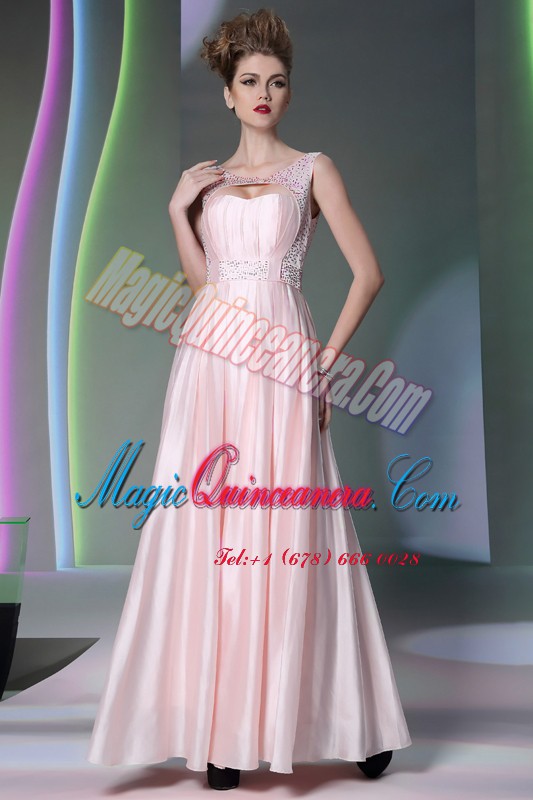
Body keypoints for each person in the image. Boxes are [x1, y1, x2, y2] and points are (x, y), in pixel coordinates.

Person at [87, 7, 412, 791]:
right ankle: (223, 731)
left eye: (277, 81)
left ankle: (349, 722)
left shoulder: (312, 170)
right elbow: (205, 287)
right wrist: (176, 211)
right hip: (208, 364)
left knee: (290, 530)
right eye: (249, 81)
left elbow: (367, 273)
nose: (264, 92)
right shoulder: (206, 183)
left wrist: (322, 365)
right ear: (227, 94)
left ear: (287, 94)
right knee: (208, 535)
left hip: (281, 358)